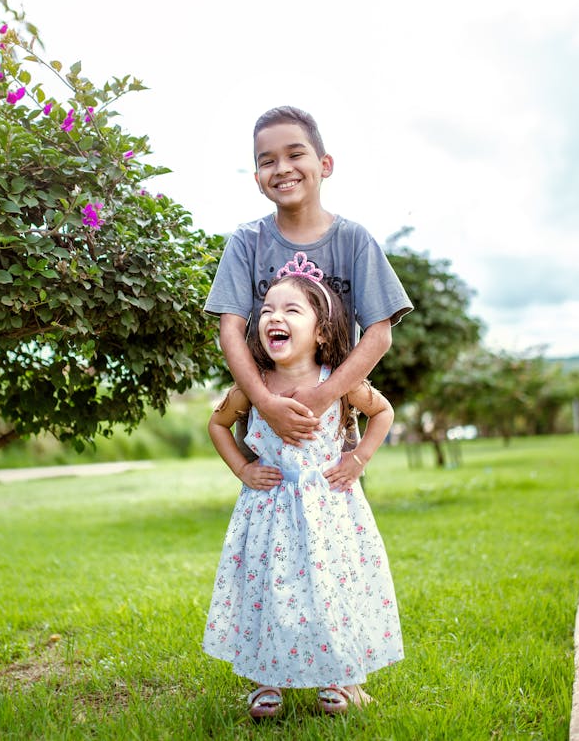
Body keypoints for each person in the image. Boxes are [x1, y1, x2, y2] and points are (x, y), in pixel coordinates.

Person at [203, 268, 403, 718]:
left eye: (292, 309)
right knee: (268, 590)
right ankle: (266, 680)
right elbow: (217, 424)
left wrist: (358, 457)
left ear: (321, 331)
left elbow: (384, 412)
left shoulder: (341, 382)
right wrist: (243, 468)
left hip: (329, 510)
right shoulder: (254, 388)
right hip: (269, 511)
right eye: (268, 309)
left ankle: (337, 678)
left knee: (330, 588)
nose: (275, 316)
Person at [205, 105, 412, 452]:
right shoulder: (246, 241)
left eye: (295, 154)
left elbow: (380, 334)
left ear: (325, 165)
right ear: (257, 178)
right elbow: (230, 331)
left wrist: (324, 395)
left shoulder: (354, 241)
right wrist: (266, 404)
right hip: (264, 436)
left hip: (330, 435)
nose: (282, 168)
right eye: (267, 161)